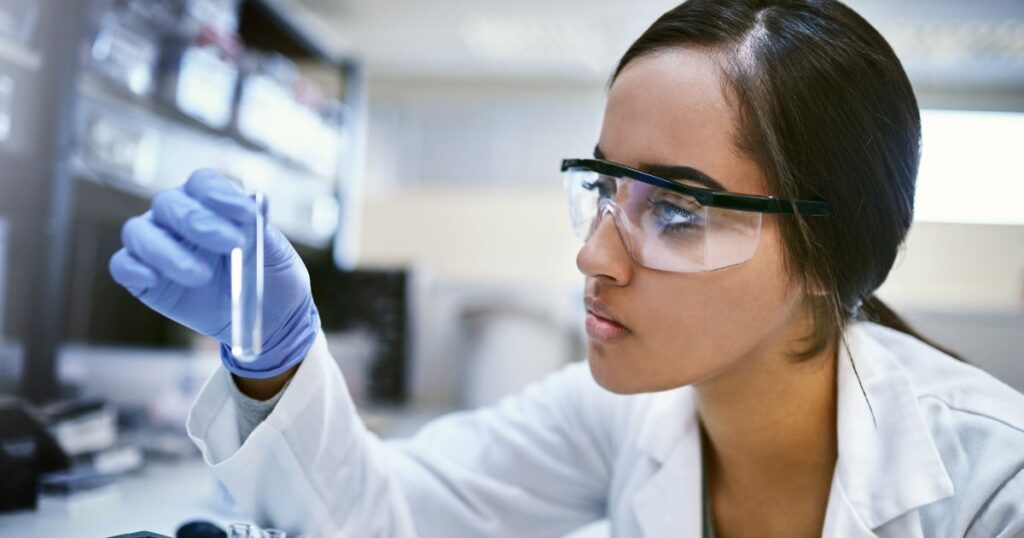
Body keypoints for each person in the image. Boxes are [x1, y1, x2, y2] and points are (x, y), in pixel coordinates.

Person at [109, 0, 1024, 536]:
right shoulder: (621, 413)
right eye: (603, 189)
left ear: (828, 253)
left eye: (677, 210)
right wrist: (273, 354)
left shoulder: (994, 486)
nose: (592, 256)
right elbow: (385, 518)